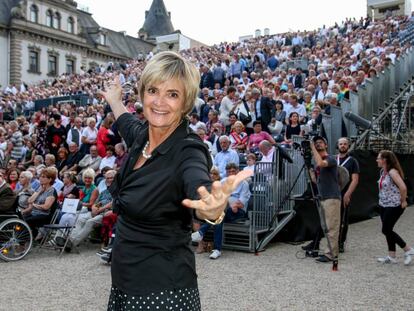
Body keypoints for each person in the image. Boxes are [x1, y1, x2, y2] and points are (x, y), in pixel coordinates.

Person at [99, 51, 251, 310]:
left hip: (163, 292)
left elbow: (197, 183)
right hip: (125, 282)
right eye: (153, 90)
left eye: (172, 94)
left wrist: (210, 207)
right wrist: (114, 98)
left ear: (186, 103)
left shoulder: (188, 150)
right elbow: (125, 120)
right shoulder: (141, 137)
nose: (159, 102)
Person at [192, 163, 251, 259]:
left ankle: (201, 232)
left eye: (233, 171)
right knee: (219, 219)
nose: (231, 173)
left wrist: (232, 204)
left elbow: (240, 204)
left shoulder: (244, 184)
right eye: (229, 171)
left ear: (238, 172)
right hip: (224, 210)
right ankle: (217, 250)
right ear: (226, 173)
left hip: (238, 212)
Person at [376, 150, 414, 265]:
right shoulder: (383, 171)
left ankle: (408, 250)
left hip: (394, 205)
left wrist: (403, 201)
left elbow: (403, 187)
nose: (376, 160)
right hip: (384, 205)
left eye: (378, 158)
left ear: (385, 160)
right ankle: (391, 256)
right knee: (388, 230)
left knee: (386, 230)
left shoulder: (392, 172)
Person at [309, 136, 341, 263]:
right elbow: (316, 181)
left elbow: (321, 163)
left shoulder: (331, 158)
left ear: (326, 145)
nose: (318, 144)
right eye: (316, 143)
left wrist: (312, 148)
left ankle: (332, 254)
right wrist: (309, 168)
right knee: (325, 226)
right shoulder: (318, 162)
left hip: (331, 197)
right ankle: (329, 251)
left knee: (332, 226)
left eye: (320, 142)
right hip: (323, 196)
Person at [336, 138, 360, 253]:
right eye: (341, 144)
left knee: (343, 220)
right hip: (332, 194)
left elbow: (355, 180)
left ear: (348, 146)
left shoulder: (352, 161)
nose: (343, 146)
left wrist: (347, 194)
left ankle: (341, 242)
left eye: (345, 144)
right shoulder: (332, 159)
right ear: (338, 145)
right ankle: (332, 242)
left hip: (344, 193)